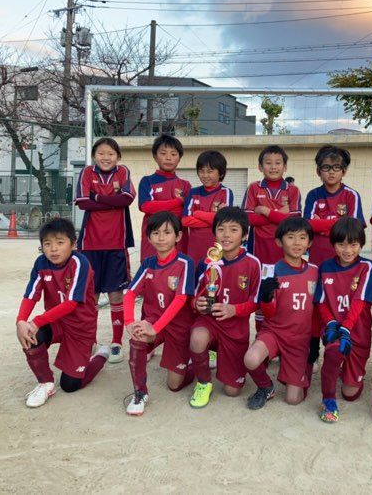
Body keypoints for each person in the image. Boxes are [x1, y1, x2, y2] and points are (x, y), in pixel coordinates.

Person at [15, 218, 109, 408]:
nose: (53, 249)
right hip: (56, 321)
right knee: (31, 335)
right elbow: (31, 295)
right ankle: (46, 383)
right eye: (47, 244)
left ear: (73, 244)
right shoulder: (41, 263)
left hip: (80, 326)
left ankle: (100, 354)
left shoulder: (80, 263)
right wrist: (21, 321)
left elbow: (71, 303)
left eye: (60, 242)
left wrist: (36, 321)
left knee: (70, 385)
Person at [122, 212, 195, 416]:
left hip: (178, 327)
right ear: (148, 237)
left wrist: (155, 328)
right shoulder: (148, 264)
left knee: (174, 385)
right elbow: (130, 294)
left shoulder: (185, 262)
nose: (161, 238)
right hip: (154, 322)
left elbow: (180, 300)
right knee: (137, 337)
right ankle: (140, 393)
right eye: (156, 233)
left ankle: (194, 363)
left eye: (167, 232)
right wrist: (129, 322)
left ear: (178, 236)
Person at [189, 207, 262, 409]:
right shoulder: (207, 262)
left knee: (232, 391)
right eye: (221, 229)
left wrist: (234, 310)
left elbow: (256, 302)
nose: (226, 235)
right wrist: (197, 303)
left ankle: (220, 356)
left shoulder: (253, 263)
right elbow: (193, 296)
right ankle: (203, 382)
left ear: (244, 234)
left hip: (235, 329)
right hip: (210, 321)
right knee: (198, 337)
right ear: (214, 232)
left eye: (234, 229)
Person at [243, 217, 319, 410]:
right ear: (279, 242)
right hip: (274, 333)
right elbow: (268, 313)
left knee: (293, 399)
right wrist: (267, 298)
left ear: (310, 242)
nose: (297, 242)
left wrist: (314, 342)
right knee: (251, 358)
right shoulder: (271, 271)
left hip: (299, 339)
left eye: (302, 237)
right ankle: (265, 387)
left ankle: (302, 368)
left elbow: (317, 310)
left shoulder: (314, 271)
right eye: (290, 237)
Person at [74, 137, 136, 364]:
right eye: (101, 153)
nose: (106, 157)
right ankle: (90, 340)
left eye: (110, 153)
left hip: (116, 243)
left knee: (116, 295)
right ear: (94, 156)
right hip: (90, 244)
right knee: (91, 295)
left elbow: (127, 198)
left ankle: (117, 342)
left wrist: (98, 197)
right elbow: (83, 202)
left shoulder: (123, 172)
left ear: (117, 156)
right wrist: (112, 200)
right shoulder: (87, 172)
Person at [314, 217, 372, 423]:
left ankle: (349, 372)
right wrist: (332, 323)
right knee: (334, 350)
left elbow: (360, 301)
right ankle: (328, 399)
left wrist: (346, 328)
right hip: (334, 329)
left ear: (361, 244)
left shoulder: (367, 267)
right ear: (333, 245)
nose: (348, 250)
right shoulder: (325, 267)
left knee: (351, 394)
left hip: (357, 332)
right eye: (341, 244)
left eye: (353, 244)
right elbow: (321, 302)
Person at [303, 145, 365, 267]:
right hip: (318, 255)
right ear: (318, 171)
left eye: (336, 167)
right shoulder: (313, 195)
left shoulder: (352, 195)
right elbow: (308, 225)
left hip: (344, 257)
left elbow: (354, 229)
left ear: (344, 171)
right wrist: (339, 222)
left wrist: (321, 227)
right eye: (326, 167)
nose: (331, 171)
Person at [242, 145, 302, 266]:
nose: (273, 167)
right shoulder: (253, 188)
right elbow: (247, 219)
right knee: (259, 276)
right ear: (260, 167)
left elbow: (294, 221)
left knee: (282, 277)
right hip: (258, 246)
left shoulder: (293, 190)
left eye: (278, 163)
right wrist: (279, 213)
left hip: (284, 247)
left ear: (285, 167)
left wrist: (265, 211)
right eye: (268, 163)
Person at [138, 134, 192, 263]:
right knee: (151, 271)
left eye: (173, 154)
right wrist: (177, 202)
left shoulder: (185, 185)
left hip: (179, 243)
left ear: (179, 158)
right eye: (163, 153)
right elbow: (145, 206)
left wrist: (158, 208)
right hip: (153, 242)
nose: (168, 158)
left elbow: (185, 214)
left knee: (177, 271)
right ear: (155, 156)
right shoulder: (147, 181)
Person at [182, 150, 235, 265]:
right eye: (201, 171)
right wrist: (213, 219)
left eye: (210, 171)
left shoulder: (225, 192)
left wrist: (197, 214)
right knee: (196, 275)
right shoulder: (193, 192)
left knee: (215, 275)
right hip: (195, 249)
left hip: (217, 249)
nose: (205, 175)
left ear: (221, 173)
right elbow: (185, 220)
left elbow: (224, 220)